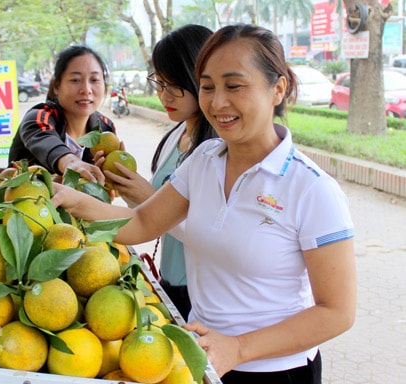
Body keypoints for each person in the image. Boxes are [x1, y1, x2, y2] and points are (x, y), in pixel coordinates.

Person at [51, 23, 356, 383]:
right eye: (207, 87)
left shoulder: (312, 189)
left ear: (278, 88)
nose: (217, 102)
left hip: (276, 371)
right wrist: (67, 199)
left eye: (234, 85)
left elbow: (337, 312)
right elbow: (141, 223)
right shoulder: (205, 159)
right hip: (203, 359)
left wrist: (240, 348)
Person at [103, 24, 217, 320]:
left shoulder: (217, 150)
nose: (164, 95)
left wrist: (151, 198)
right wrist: (126, 187)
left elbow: (215, 235)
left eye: (174, 85)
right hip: (171, 282)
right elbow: (149, 217)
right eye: (159, 83)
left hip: (203, 293)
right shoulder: (174, 136)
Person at [8, 45, 117, 183]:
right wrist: (70, 162)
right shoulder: (40, 117)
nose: (86, 89)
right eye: (75, 80)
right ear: (56, 86)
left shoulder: (105, 128)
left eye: (94, 80)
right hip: (28, 203)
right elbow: (44, 140)